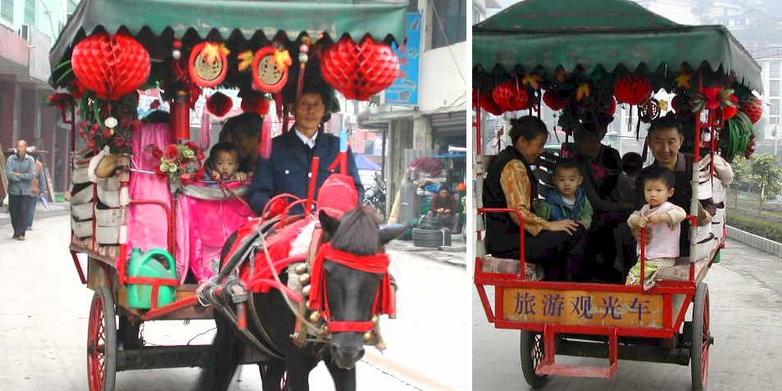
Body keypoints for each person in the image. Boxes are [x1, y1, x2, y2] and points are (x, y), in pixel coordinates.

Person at [483, 116, 586, 282]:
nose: (540, 151)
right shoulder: (514, 165)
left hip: (510, 238)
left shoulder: (511, 159)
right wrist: (549, 225)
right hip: (509, 242)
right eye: (539, 145)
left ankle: (557, 289)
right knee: (573, 234)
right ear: (523, 141)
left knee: (570, 230)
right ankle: (563, 291)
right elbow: (518, 213)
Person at [248, 87, 362, 216]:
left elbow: (356, 191)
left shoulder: (339, 148)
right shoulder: (273, 148)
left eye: (316, 104)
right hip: (285, 229)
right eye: (304, 104)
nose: (311, 111)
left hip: (329, 229)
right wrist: (274, 210)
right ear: (292, 108)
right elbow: (258, 193)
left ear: (324, 109)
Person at [626, 166, 686, 290]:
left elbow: (681, 214)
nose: (653, 194)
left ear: (670, 192)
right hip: (646, 256)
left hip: (662, 257)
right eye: (648, 190)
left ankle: (638, 300)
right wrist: (637, 220)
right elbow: (630, 219)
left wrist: (662, 217)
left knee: (633, 278)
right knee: (634, 276)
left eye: (658, 190)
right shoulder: (645, 209)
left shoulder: (669, 208)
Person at [535, 159, 593, 229]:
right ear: (554, 181)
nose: (567, 184)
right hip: (558, 234)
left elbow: (587, 213)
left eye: (572, 180)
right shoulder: (550, 201)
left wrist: (584, 222)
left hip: (577, 233)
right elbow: (541, 220)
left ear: (579, 181)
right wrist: (541, 209)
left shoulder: (582, 198)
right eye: (562, 180)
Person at [6, 140, 35, 240]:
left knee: (23, 212)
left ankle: (21, 233)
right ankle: (16, 231)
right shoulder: (11, 159)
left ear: (25, 148)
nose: (19, 148)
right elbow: (9, 175)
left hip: (25, 192)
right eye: (18, 146)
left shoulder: (30, 160)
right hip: (13, 190)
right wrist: (23, 176)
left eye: (22, 146)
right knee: (14, 212)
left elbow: (31, 176)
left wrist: (17, 174)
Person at [26, 154, 48, 230]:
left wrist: (42, 191)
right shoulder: (39, 165)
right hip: (32, 190)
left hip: (27, 190)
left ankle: (26, 224)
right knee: (30, 209)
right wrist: (42, 191)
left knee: (27, 208)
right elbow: (42, 179)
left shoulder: (26, 162)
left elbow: (42, 179)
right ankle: (28, 225)